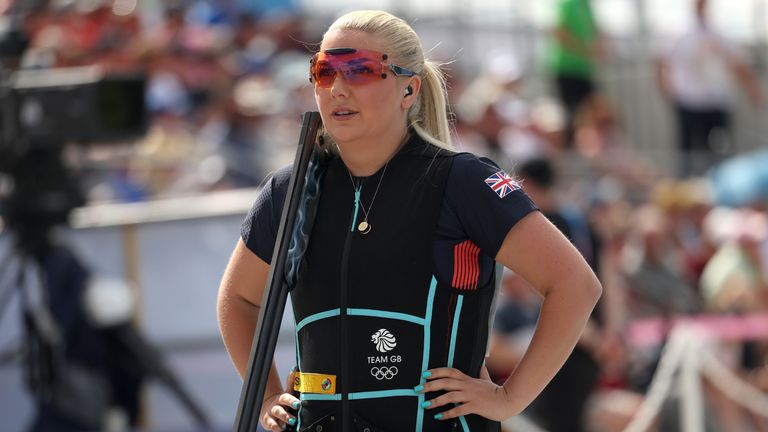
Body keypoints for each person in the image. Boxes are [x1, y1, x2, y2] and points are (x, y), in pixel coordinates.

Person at [217, 10, 601, 432]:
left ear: (408, 89)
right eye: (324, 71)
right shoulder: (290, 190)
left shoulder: (463, 180)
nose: (338, 88)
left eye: (361, 70)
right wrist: (268, 394)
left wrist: (509, 398)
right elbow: (238, 299)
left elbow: (575, 285)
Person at [656, 0, 764, 177]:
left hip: (716, 104)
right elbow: (662, 63)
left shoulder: (719, 33)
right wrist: (670, 93)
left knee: (720, 155)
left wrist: (754, 92)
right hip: (689, 105)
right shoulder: (679, 33)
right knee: (689, 157)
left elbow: (737, 64)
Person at [545, 0, 605, 149]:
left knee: (591, 115)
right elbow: (558, 30)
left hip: (583, 70)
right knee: (570, 117)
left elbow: (595, 31)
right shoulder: (568, 3)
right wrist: (584, 50)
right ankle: (568, 153)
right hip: (566, 69)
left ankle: (587, 152)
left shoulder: (586, 5)